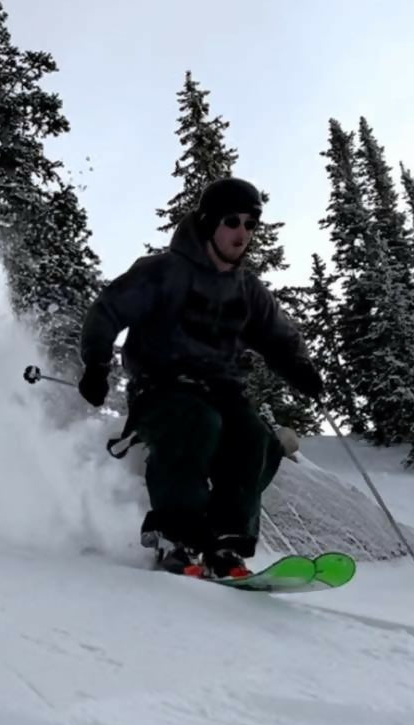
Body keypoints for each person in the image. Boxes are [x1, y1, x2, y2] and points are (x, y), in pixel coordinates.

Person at [78, 177, 323, 578]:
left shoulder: (247, 291)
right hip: (162, 388)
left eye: (251, 224)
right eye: (232, 221)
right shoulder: (162, 272)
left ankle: (226, 544)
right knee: (197, 423)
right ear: (209, 222)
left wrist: (300, 369)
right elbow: (107, 311)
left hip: (222, 390)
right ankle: (177, 534)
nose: (242, 233)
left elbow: (279, 335)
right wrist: (96, 364)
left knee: (253, 438)